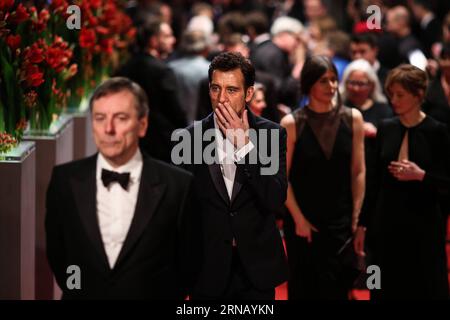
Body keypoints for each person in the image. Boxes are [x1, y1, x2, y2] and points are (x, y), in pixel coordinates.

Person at [45, 78, 199, 299]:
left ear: (142, 125)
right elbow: (60, 256)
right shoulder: (65, 180)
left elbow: (189, 263)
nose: (108, 129)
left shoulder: (179, 186)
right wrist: (80, 290)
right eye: (100, 118)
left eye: (121, 118)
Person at [174, 52, 288, 299]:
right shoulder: (187, 138)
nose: (222, 99)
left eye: (232, 90)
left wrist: (245, 147)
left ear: (249, 93)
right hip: (206, 270)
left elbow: (275, 199)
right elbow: (179, 212)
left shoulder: (271, 134)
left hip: (256, 271)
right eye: (216, 89)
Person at [359, 64, 450, 299]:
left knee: (422, 287)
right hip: (384, 223)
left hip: (423, 225)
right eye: (391, 94)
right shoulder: (386, 128)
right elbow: (373, 181)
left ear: (419, 95)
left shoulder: (438, 132)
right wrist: (362, 224)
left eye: (400, 95)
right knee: (379, 283)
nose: (394, 100)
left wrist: (421, 176)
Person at [280, 55, 366, 299]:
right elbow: (281, 177)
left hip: (341, 220)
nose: (331, 86)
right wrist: (299, 219)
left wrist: (357, 216)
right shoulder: (291, 123)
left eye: (333, 80)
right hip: (303, 221)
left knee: (339, 288)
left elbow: (358, 171)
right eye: (323, 81)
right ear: (309, 84)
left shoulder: (353, 118)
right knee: (305, 288)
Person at [115, 17, 186, 163]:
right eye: (167, 36)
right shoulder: (162, 71)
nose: (172, 40)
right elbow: (175, 112)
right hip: (161, 145)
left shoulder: (125, 67)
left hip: (129, 139)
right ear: (153, 41)